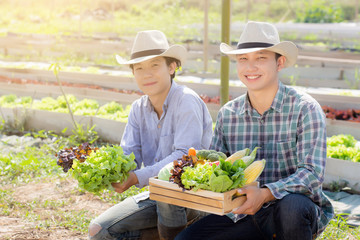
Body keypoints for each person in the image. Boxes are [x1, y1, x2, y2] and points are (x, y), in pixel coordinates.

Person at [175, 21, 334, 240]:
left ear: (280, 63)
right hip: (242, 213)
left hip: (290, 212)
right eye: (243, 59)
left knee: (292, 207)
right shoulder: (228, 114)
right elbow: (217, 166)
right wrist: (195, 173)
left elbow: (312, 174)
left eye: (260, 58)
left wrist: (265, 194)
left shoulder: (304, 109)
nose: (250, 67)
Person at [88, 30, 213, 240]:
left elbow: (185, 158)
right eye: (139, 68)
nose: (147, 74)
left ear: (171, 67)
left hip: (194, 195)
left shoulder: (186, 101)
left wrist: (137, 177)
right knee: (99, 231)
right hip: (157, 194)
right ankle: (186, 233)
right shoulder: (138, 108)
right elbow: (129, 155)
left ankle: (195, 226)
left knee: (167, 191)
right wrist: (106, 170)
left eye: (154, 65)